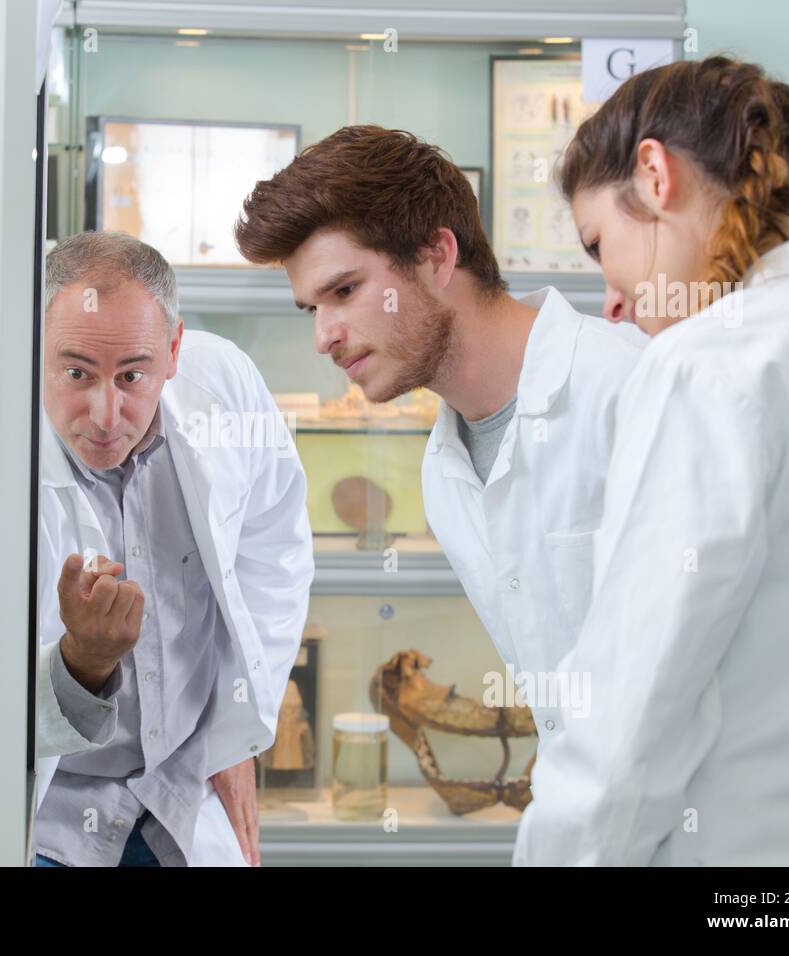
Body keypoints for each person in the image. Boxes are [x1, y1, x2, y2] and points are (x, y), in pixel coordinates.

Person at [515, 56, 789, 865]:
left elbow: (626, 719)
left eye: (597, 244)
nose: (609, 299)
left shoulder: (707, 367)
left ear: (655, 175)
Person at [235, 126, 646, 753]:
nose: (324, 336)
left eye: (344, 291)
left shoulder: (631, 388)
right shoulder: (445, 474)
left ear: (436, 257)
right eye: (310, 308)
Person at [0, 231, 314, 866]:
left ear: (174, 349)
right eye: (77, 373)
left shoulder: (225, 385)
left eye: (133, 374)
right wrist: (84, 665)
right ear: (33, 349)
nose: (106, 413)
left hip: (179, 790)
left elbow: (275, 548)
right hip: (47, 809)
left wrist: (235, 732)